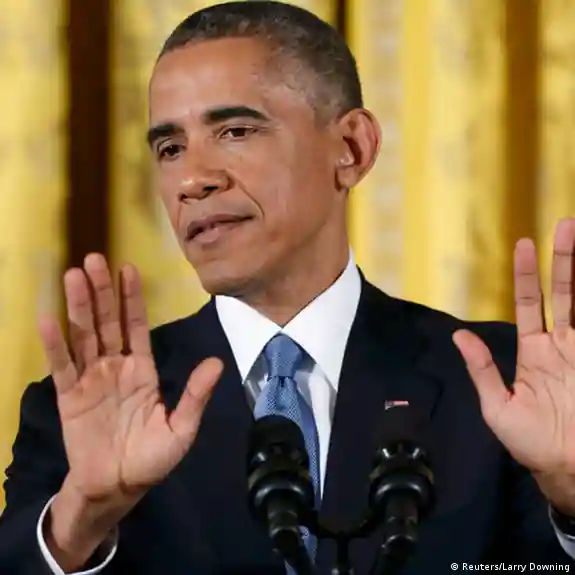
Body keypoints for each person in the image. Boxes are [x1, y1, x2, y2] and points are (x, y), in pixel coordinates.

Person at [1, 1, 575, 573]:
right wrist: (80, 520)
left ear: (351, 148)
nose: (192, 179)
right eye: (170, 148)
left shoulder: (507, 386)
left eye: (235, 131)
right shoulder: (83, 415)